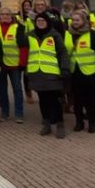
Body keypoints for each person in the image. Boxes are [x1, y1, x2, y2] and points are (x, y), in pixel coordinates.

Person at [26, 11, 70, 139]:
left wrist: (65, 68)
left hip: (52, 73)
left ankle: (60, 125)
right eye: (38, 21)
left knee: (55, 100)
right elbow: (20, 43)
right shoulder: (30, 35)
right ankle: (47, 124)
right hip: (37, 73)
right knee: (43, 100)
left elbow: (63, 52)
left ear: (47, 23)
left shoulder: (54, 35)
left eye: (43, 21)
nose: (40, 23)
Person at [68, 9, 95, 133]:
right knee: (77, 100)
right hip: (74, 72)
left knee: (92, 99)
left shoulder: (92, 35)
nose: (75, 22)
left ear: (84, 21)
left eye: (77, 20)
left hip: (90, 72)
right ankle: (79, 122)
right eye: (73, 20)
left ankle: (92, 122)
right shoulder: (68, 34)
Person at [0, 6, 27, 123]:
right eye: (2, 14)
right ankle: (5, 113)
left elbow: (23, 47)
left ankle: (19, 114)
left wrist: (22, 63)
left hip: (15, 65)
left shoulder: (18, 27)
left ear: (11, 16)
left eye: (7, 14)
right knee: (2, 90)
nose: (5, 16)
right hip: (1, 65)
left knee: (17, 90)